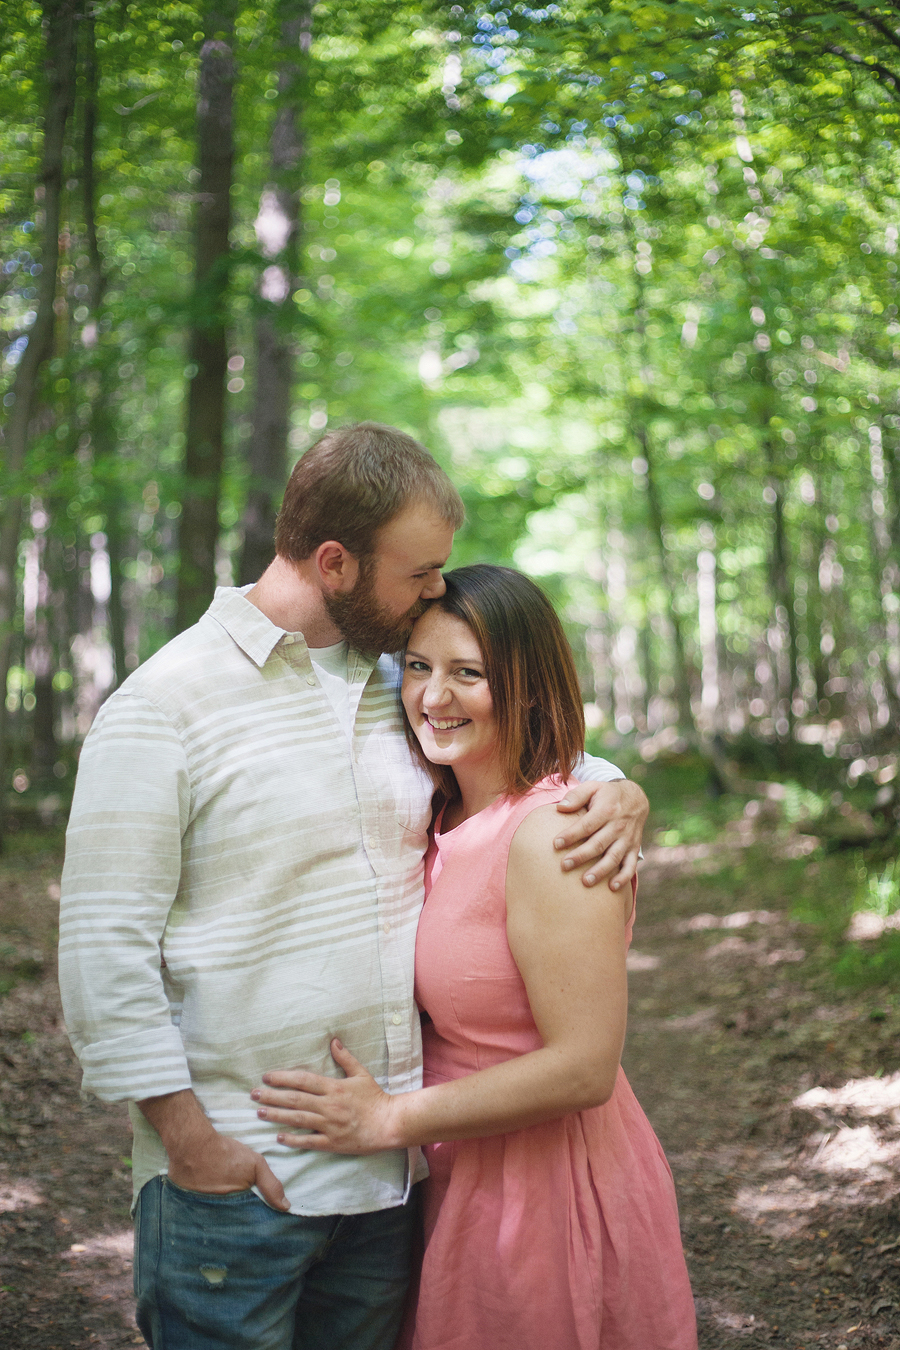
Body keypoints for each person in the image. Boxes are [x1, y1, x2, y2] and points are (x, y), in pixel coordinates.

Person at [58, 424, 649, 1350]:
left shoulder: (389, 681)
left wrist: (615, 786)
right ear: (336, 562)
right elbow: (101, 953)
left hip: (388, 1187)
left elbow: (512, 748)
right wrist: (189, 1145)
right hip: (236, 1188)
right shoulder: (162, 707)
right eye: (419, 573)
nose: (436, 591)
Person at [253, 564, 697, 1350]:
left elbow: (585, 1067)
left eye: (469, 674)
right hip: (459, 1182)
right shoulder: (438, 814)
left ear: (526, 687)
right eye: (419, 668)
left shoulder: (557, 833)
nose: (433, 696)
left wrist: (389, 1118)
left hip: (546, 1192)